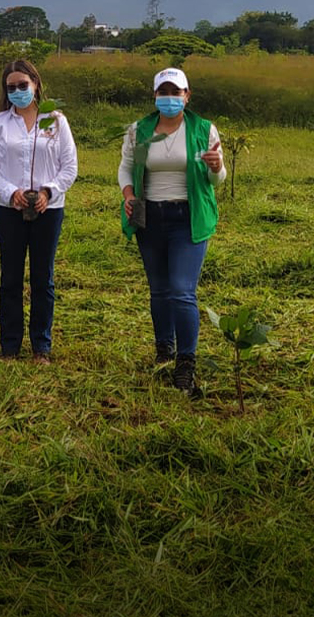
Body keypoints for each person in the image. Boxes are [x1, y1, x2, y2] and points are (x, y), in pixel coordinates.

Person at [119, 67, 225, 396]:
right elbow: (125, 167)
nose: (169, 98)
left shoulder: (204, 129)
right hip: (148, 214)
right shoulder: (139, 130)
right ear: (154, 96)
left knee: (182, 291)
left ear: (187, 95)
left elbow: (216, 180)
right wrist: (129, 196)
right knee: (159, 290)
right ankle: (163, 350)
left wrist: (217, 167)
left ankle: (186, 363)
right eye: (163, 92)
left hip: (187, 216)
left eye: (175, 92)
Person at [0, 59, 77, 364]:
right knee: (10, 277)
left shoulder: (55, 120)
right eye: (12, 87)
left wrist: (49, 191)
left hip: (48, 209)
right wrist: (12, 192)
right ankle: (9, 345)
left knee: (42, 278)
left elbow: (69, 167)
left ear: (35, 83)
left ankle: (41, 347)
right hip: (9, 209)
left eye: (23, 85)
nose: (19, 91)